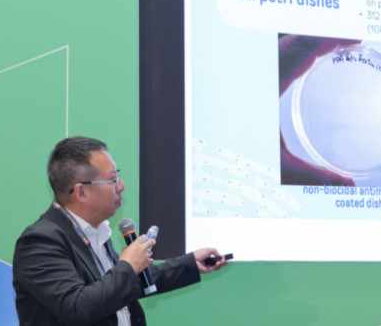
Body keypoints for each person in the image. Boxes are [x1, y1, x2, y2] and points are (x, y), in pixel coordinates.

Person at [14, 136, 231, 326]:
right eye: (112, 179)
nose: (122, 185)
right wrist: (127, 266)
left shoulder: (96, 232)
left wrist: (189, 263)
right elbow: (77, 308)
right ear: (81, 192)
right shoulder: (40, 241)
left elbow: (120, 287)